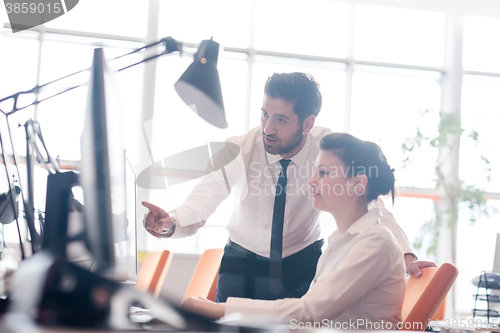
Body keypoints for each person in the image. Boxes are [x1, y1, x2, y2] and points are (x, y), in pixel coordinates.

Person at [142, 72, 434, 302]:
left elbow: (370, 202)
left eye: (281, 119)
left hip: (303, 262)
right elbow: (201, 201)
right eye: (265, 114)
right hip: (241, 262)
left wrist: (405, 253)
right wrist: (170, 223)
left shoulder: (329, 148)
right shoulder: (237, 149)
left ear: (307, 123)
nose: (268, 128)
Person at [180, 133, 406, 328]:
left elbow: (308, 313)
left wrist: (217, 310)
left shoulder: (375, 242)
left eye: (323, 173)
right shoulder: (342, 242)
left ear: (358, 184)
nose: (310, 181)